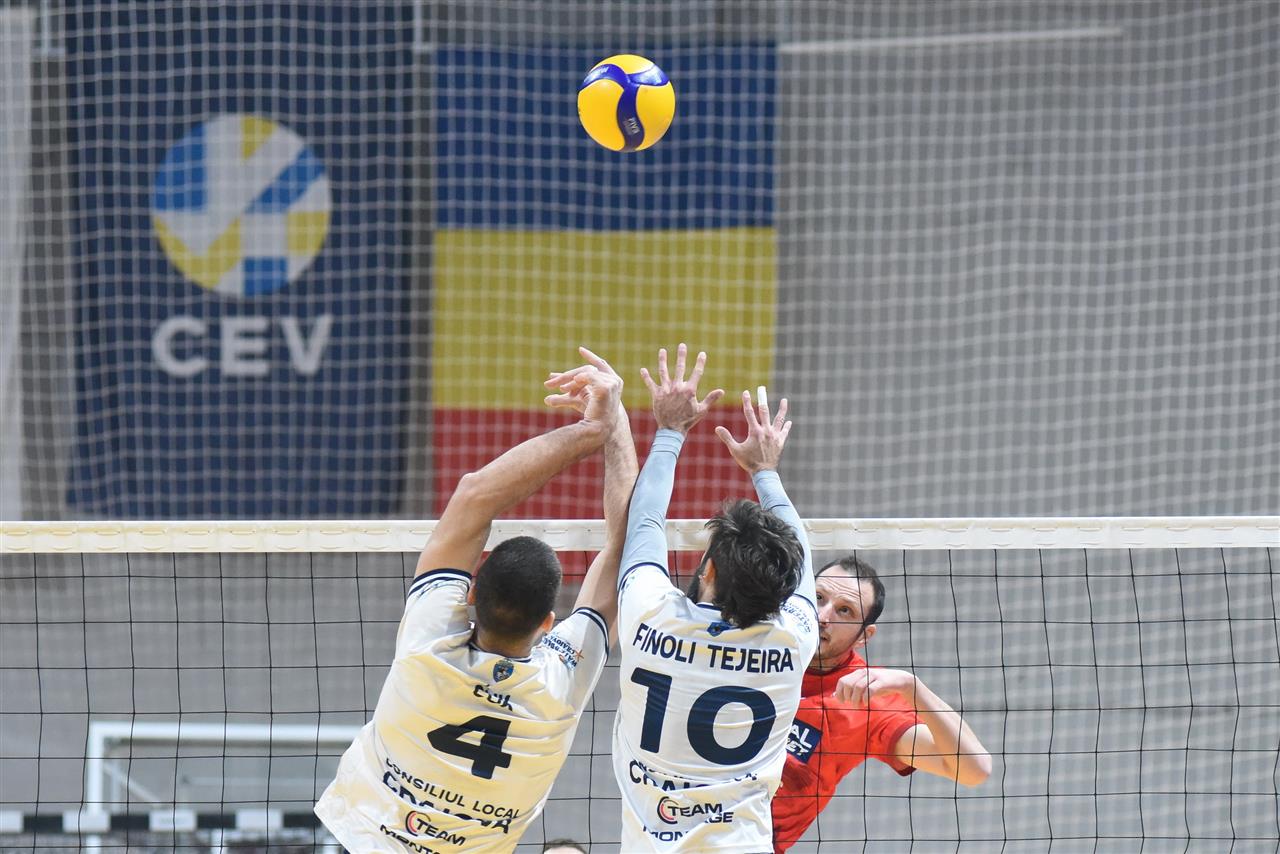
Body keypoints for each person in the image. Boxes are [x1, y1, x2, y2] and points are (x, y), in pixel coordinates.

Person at [315, 347, 638, 853]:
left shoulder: (428, 643)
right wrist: (616, 423)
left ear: (468, 595)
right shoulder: (560, 685)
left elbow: (475, 495)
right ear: (548, 622)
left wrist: (589, 431)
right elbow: (623, 551)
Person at [612, 343, 819, 851]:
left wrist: (670, 430)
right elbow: (802, 555)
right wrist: (765, 471)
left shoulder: (650, 617)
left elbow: (645, 520)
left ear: (708, 570)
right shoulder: (793, 640)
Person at [771, 556, 992, 852]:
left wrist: (912, 687)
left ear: (864, 636)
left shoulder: (868, 700)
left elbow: (975, 769)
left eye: (844, 610)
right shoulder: (749, 644)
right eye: (818, 597)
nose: (822, 616)